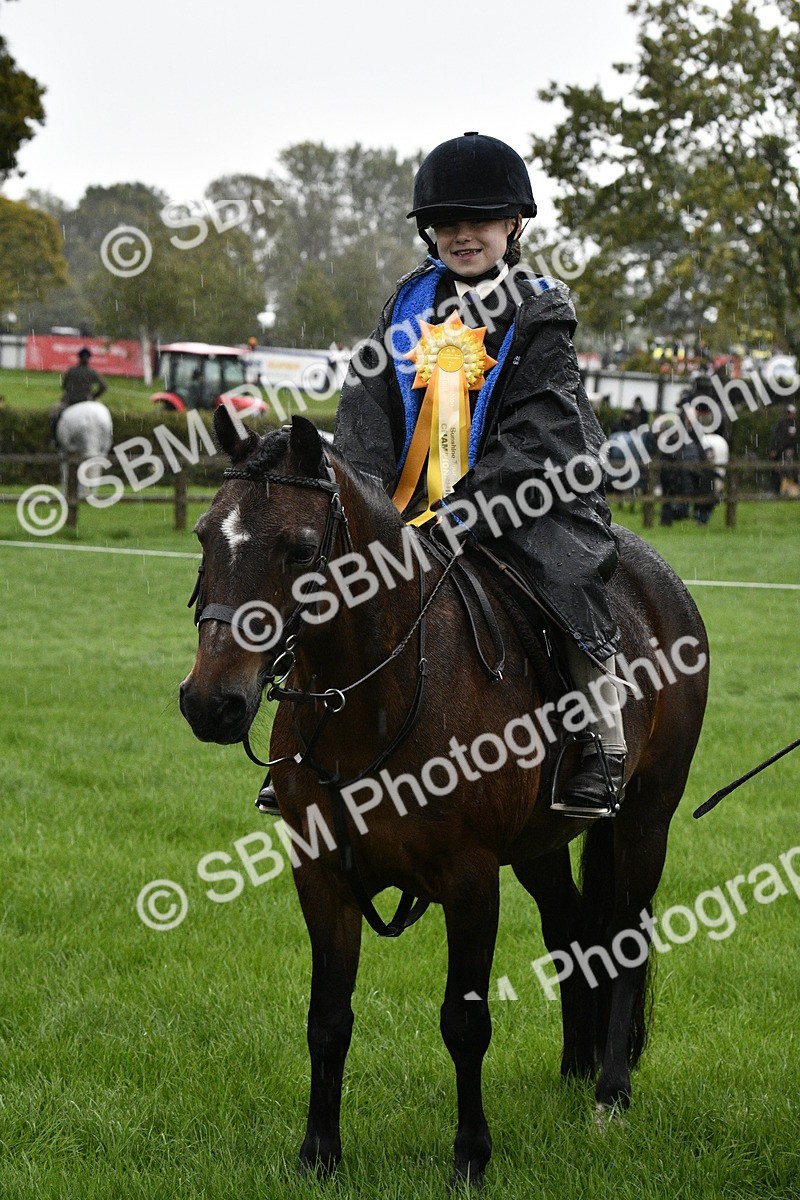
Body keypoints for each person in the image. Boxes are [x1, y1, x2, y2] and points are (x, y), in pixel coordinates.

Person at [316, 131, 625, 822]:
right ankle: (311, 743)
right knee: (324, 569)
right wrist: (363, 494)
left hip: (531, 493)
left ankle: (600, 742)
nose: (462, 236)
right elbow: (367, 405)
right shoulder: (407, 302)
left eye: (479, 222)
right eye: (448, 224)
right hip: (408, 498)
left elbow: (538, 432)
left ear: (513, 225)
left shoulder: (540, 309)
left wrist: (463, 510)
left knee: (568, 575)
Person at [49, 346, 107, 439]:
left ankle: (54, 439)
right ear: (89, 359)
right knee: (104, 414)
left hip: (70, 401)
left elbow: (63, 386)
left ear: (79, 358)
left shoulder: (71, 371)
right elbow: (103, 387)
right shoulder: (92, 372)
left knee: (54, 414)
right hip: (87, 400)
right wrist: (94, 396)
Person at [769, 403, 799, 496]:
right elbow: (776, 437)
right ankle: (775, 490)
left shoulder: (795, 424)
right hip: (780, 451)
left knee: (792, 471)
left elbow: (795, 439)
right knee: (777, 471)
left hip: (791, 453)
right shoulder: (780, 423)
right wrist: (774, 449)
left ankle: (791, 491)